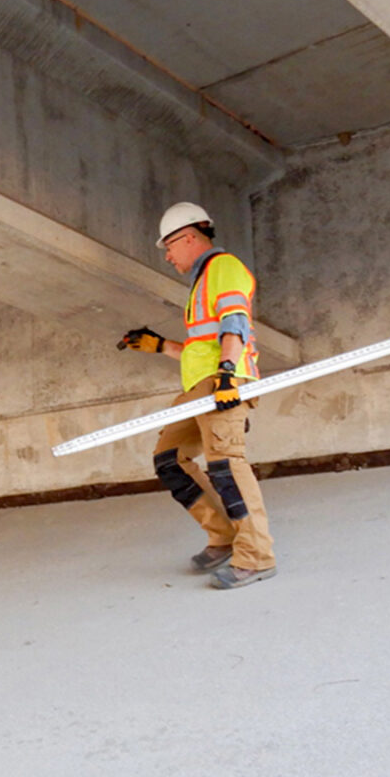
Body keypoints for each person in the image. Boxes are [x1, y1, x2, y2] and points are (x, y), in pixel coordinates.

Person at [120, 202, 276, 589]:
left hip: (221, 382)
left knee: (226, 465)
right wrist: (159, 346)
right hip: (200, 387)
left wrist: (226, 374)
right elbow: (199, 346)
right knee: (169, 460)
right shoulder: (202, 280)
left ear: (189, 237)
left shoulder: (223, 267)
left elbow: (234, 322)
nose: (167, 255)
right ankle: (224, 537)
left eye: (168, 246)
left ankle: (256, 558)